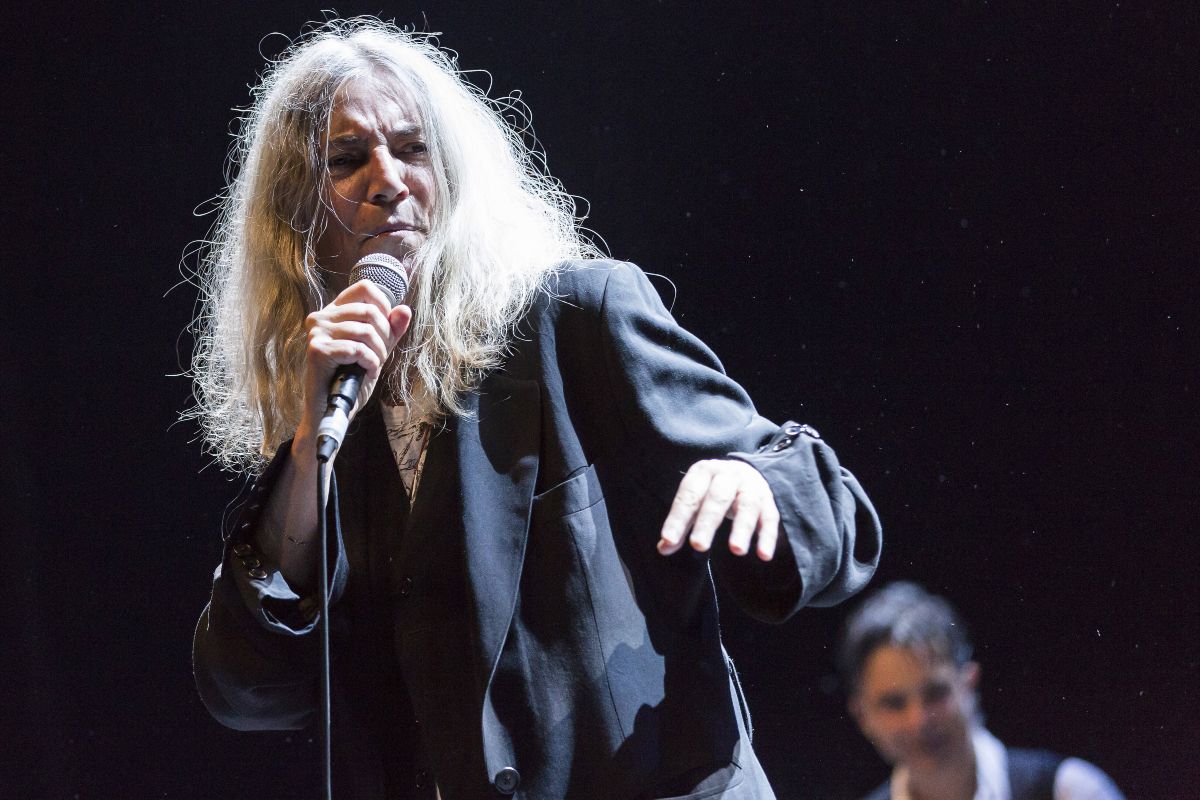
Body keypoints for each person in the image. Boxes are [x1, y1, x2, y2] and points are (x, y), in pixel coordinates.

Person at [190, 18, 882, 800]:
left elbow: (827, 502)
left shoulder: (575, 318)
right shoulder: (333, 426)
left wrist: (755, 482)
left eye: (413, 149)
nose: (388, 179)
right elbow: (243, 685)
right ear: (296, 218)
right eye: (347, 160)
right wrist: (306, 446)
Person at [838, 582, 1124, 800]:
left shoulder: (1070, 791)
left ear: (969, 683)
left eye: (936, 693)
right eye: (894, 703)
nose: (919, 720)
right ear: (862, 715)